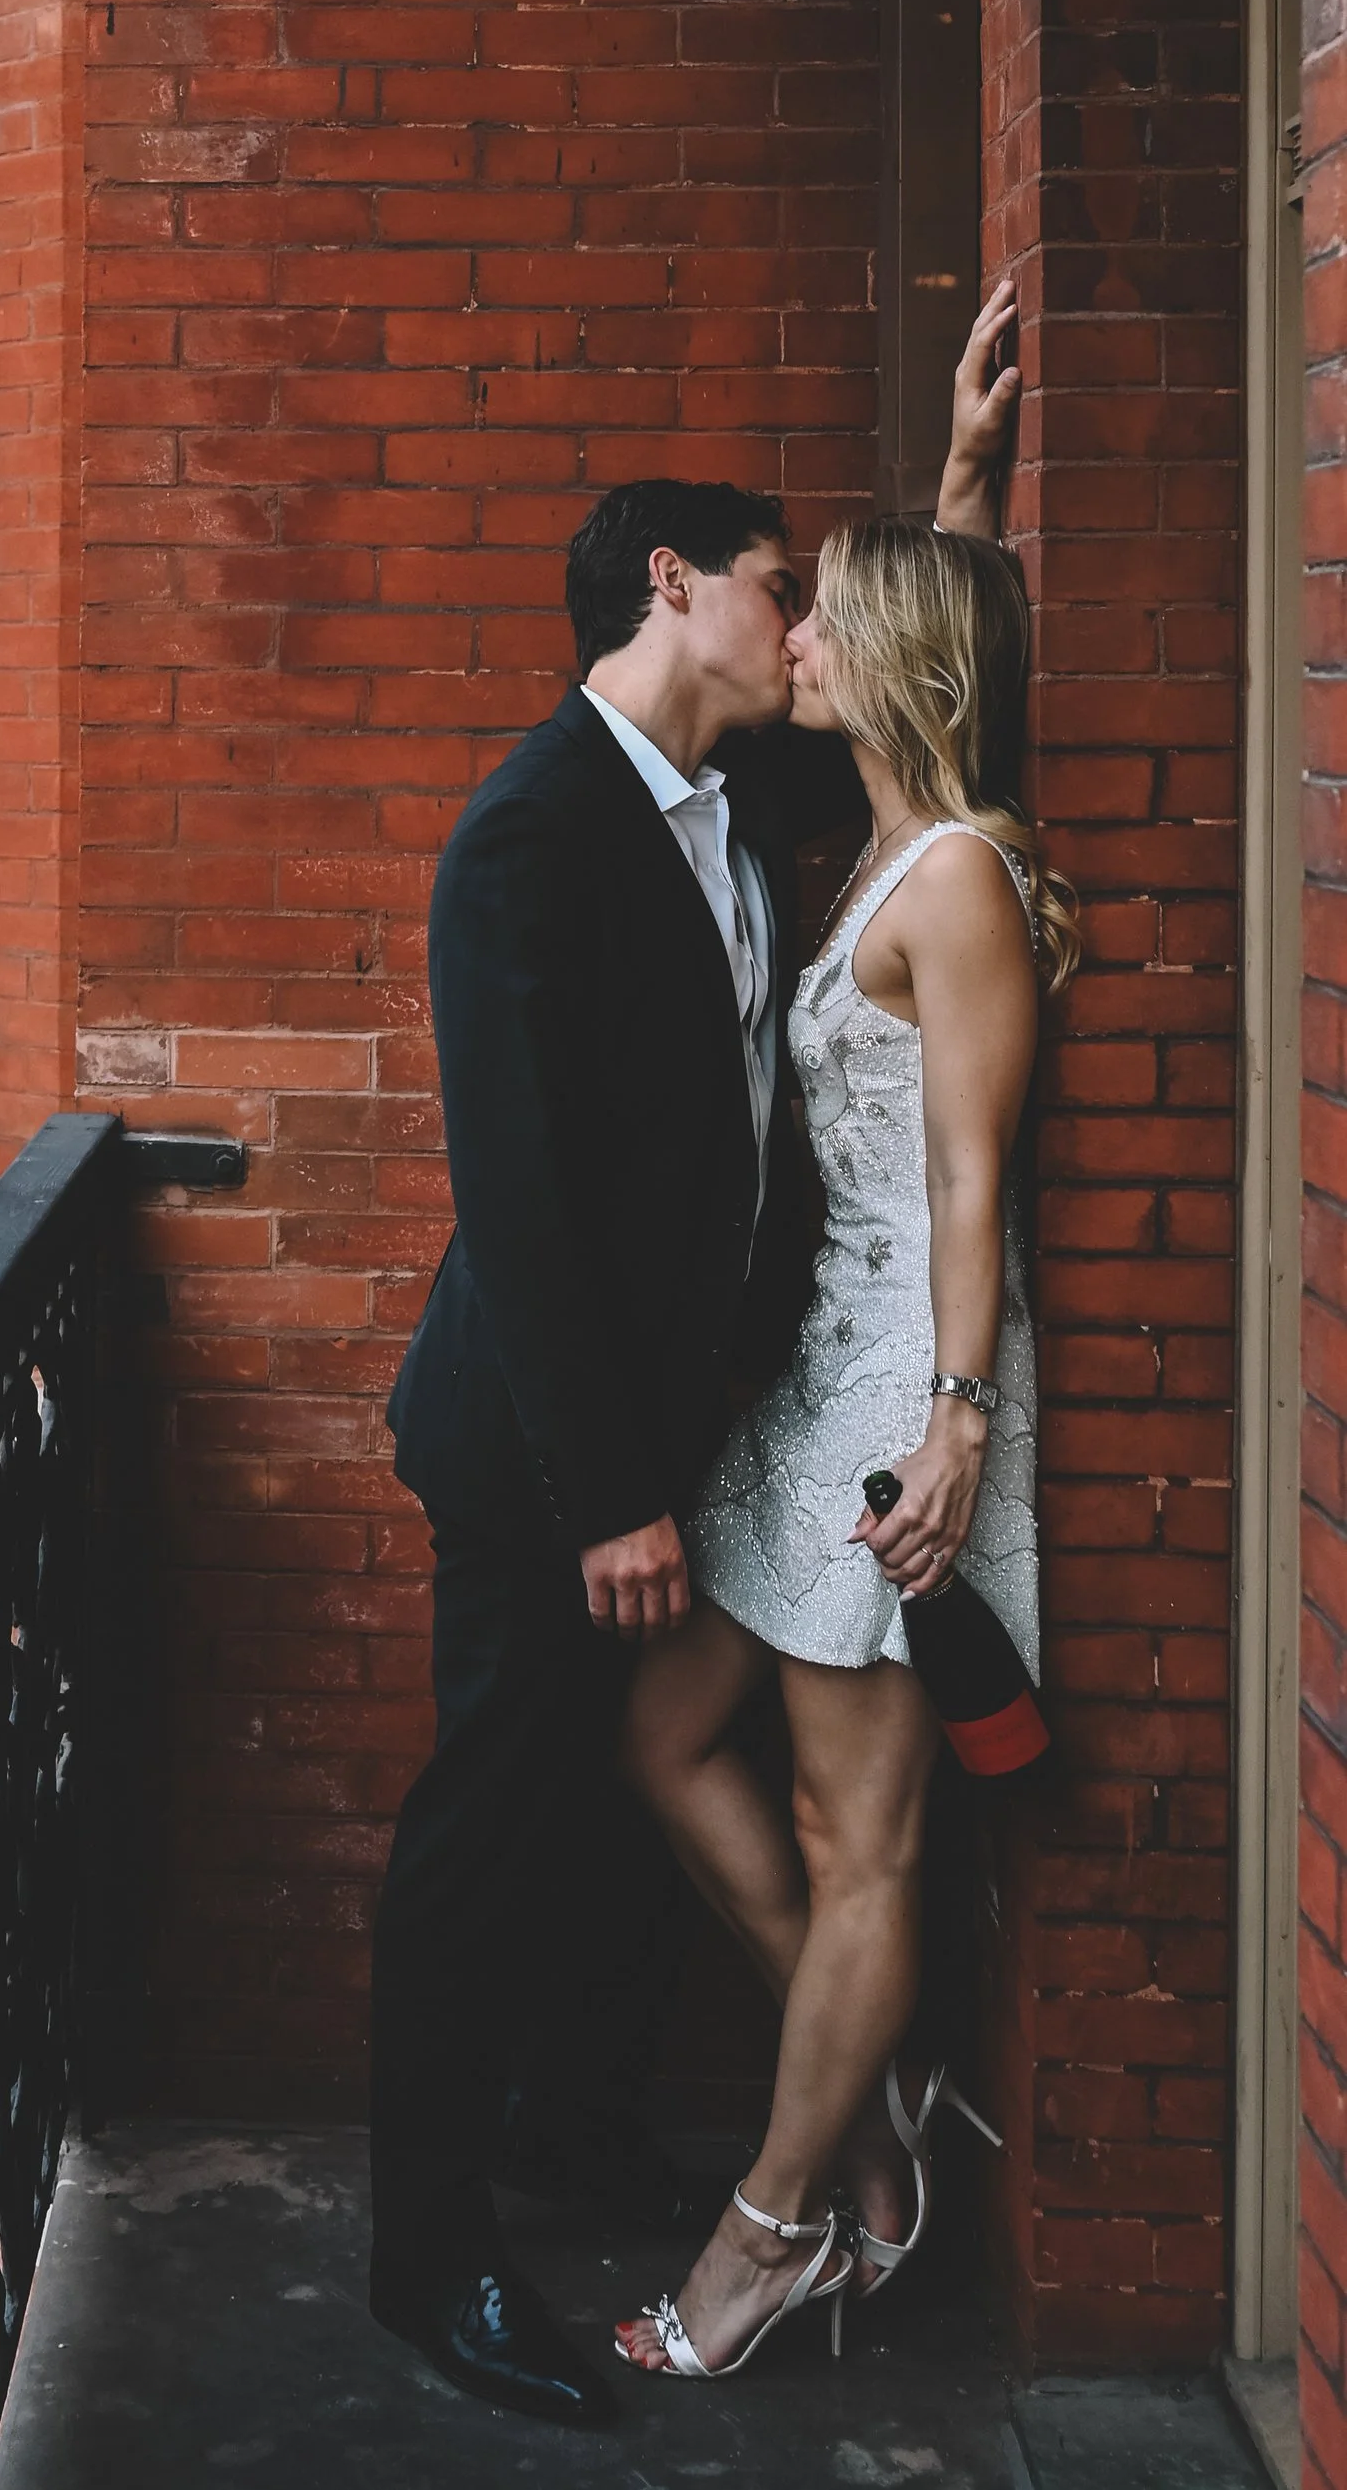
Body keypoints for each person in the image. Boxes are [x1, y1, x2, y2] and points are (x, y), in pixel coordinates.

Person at [366, 288, 1020, 2426]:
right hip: (546, 1454)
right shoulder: (524, 839)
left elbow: (924, 745)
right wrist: (609, 1496)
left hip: (727, 1427)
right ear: (674, 581)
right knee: (492, 1823)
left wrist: (956, 499)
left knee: (610, 1797)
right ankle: (425, 2258)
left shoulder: (744, 811)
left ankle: (571, 2132)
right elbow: (522, 1209)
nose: (797, 617)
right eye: (776, 585)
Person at [613, 519, 1075, 2383]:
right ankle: (872, 2130)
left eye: (826, 614)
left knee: (854, 1835)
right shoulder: (889, 839)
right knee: (660, 1730)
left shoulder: (953, 879)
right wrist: (961, 470)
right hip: (818, 1377)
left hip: (907, 1389)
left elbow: (973, 1176)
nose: (790, 634)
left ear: (891, 658)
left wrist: (960, 1425)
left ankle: (774, 2231)